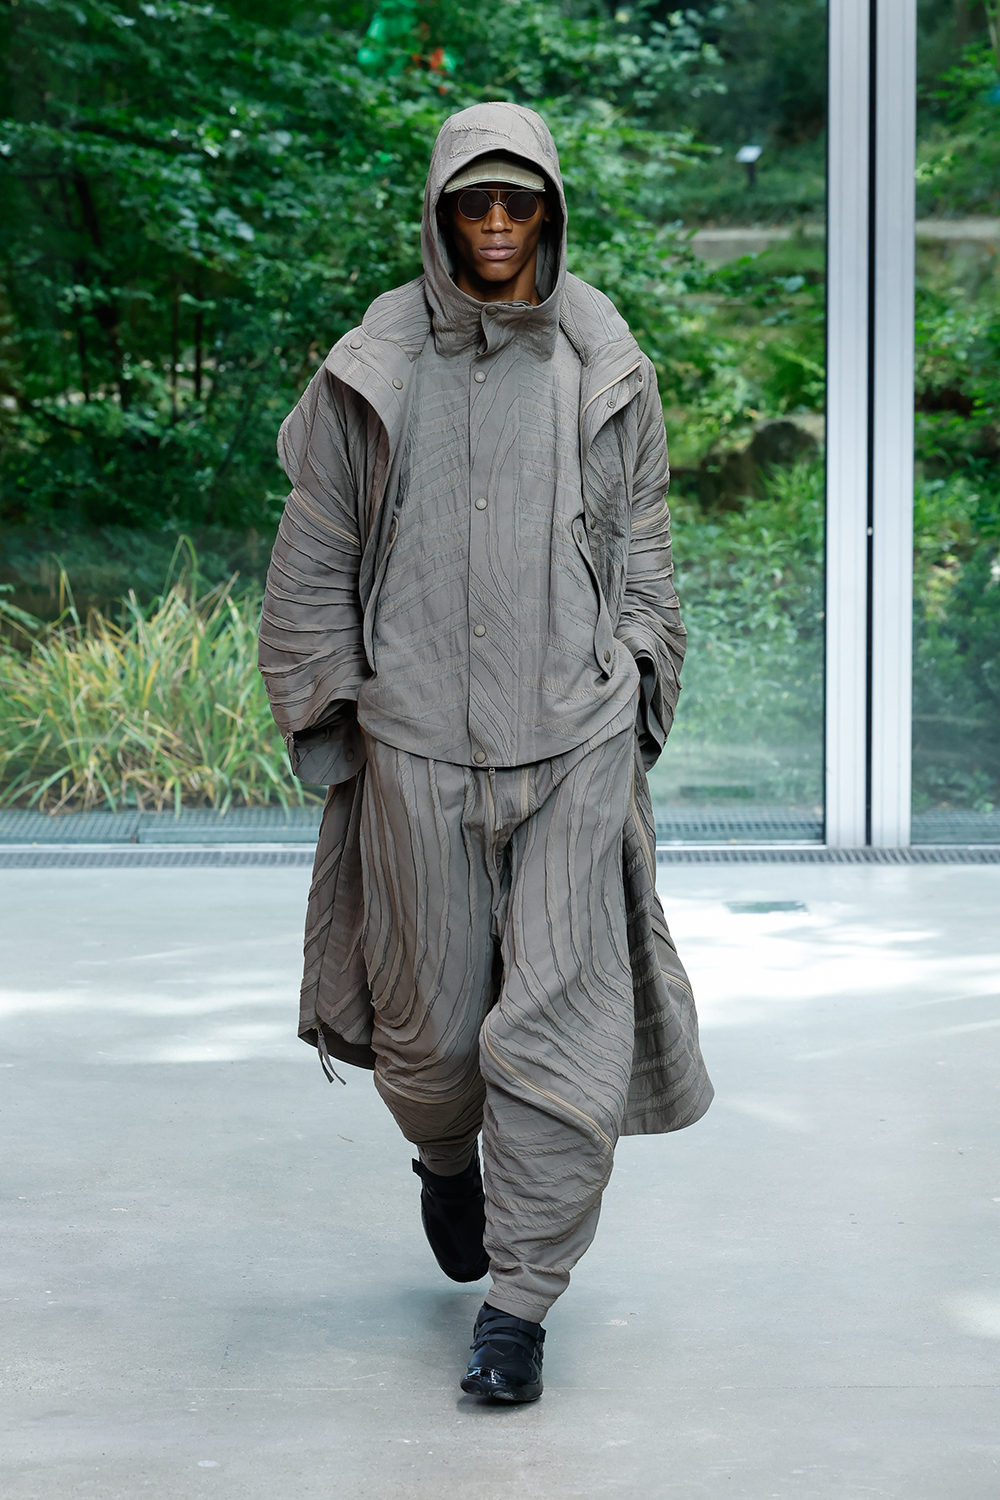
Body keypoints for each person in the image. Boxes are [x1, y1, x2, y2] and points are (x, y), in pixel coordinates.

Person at [258, 101, 713, 1404]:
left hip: (573, 742)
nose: (500, 224)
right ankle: (446, 1161)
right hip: (415, 746)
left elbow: (644, 545)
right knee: (433, 1035)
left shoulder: (604, 358)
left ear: (551, 211)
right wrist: (328, 709)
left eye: (521, 202)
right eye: (476, 203)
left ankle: (518, 1311)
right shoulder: (375, 364)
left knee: (560, 1027)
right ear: (442, 212)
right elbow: (317, 544)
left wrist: (636, 673)